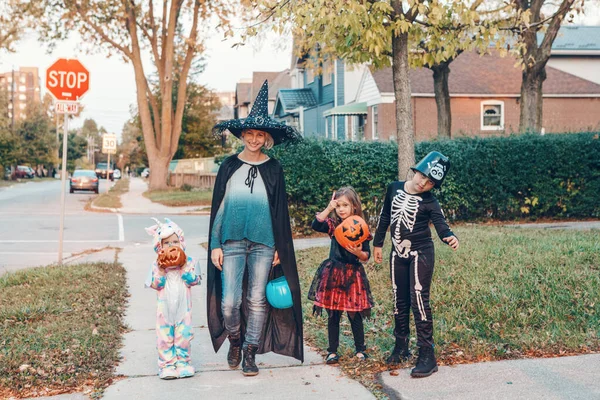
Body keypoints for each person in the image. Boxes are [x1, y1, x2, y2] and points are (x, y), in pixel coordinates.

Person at [208, 80, 303, 377]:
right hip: (232, 241)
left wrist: (279, 248)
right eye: (249, 133)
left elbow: (279, 213)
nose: (253, 139)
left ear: (266, 138)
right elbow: (219, 207)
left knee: (257, 299)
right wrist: (214, 244)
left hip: (264, 244)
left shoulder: (274, 168)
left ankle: (250, 352)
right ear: (243, 135)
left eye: (259, 134)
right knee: (229, 302)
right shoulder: (228, 166)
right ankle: (235, 340)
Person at [373, 151, 459, 378]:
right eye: (423, 176)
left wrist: (449, 236)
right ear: (416, 170)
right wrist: (378, 243)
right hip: (397, 252)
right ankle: (401, 346)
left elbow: (441, 224)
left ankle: (427, 354)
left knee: (419, 299)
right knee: (398, 300)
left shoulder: (430, 201)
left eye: (431, 182)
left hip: (421, 252)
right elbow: (385, 217)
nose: (423, 183)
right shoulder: (394, 188)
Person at [308, 187, 374, 364]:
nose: (342, 209)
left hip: (353, 275)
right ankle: (332, 351)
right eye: (339, 206)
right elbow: (316, 224)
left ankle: (360, 349)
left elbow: (367, 255)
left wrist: (359, 253)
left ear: (354, 206)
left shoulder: (361, 227)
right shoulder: (333, 225)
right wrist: (329, 208)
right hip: (334, 274)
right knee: (333, 314)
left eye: (345, 205)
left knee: (355, 314)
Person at [145, 218, 201, 380]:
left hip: (184, 308)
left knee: (183, 334)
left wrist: (184, 267)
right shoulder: (157, 265)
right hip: (165, 309)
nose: (171, 246)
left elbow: (194, 281)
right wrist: (162, 271)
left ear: (181, 242)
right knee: (165, 336)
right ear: (160, 247)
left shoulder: (189, 262)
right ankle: (167, 364)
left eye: (175, 241)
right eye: (167, 243)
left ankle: (183, 362)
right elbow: (155, 284)